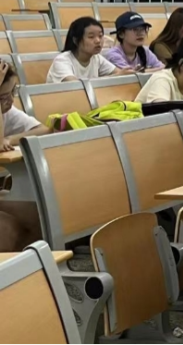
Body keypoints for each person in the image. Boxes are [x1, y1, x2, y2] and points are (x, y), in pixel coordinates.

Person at [0, 60, 47, 250]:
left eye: (13, 91)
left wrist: (10, 139)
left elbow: (44, 130)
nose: (11, 100)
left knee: (40, 218)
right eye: (4, 96)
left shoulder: (7, 111)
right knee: (8, 230)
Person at [47, 17, 132, 83]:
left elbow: (119, 73)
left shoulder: (97, 58)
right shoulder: (62, 60)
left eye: (100, 36)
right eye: (91, 37)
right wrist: (116, 76)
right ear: (76, 40)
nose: (98, 41)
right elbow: (75, 85)